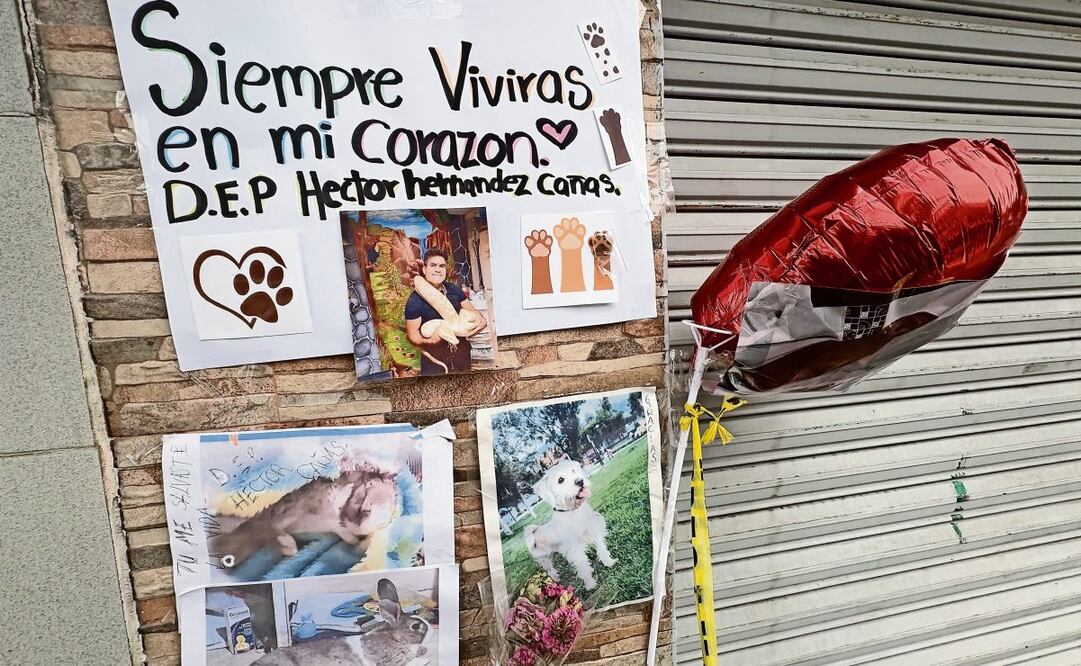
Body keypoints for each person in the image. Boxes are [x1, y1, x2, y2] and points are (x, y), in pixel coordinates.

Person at [404, 247, 487, 375]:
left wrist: (482, 320)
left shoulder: (454, 290)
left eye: (442, 266)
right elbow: (412, 335)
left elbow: (473, 311)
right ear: (424, 269)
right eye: (433, 265)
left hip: (462, 356)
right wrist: (430, 341)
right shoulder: (414, 300)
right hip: (434, 363)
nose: (438, 269)